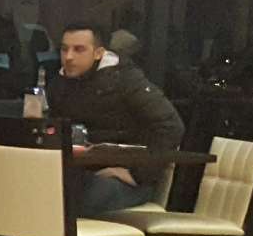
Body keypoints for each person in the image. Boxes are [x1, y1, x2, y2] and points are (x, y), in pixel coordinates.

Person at [44, 21, 185, 216]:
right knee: (37, 186)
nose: (68, 57)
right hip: (78, 171)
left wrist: (137, 173)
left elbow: (171, 126)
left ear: (98, 53)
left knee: (74, 195)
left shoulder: (127, 80)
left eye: (79, 50)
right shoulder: (58, 85)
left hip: (124, 180)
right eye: (64, 49)